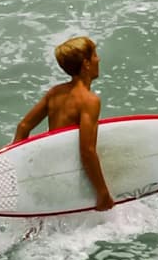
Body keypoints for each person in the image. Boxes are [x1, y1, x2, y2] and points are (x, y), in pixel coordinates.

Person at [13, 34, 115, 209]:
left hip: (48, 167)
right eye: (95, 55)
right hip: (68, 173)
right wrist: (102, 193)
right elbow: (87, 151)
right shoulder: (89, 101)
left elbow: (24, 126)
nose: (99, 59)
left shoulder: (55, 93)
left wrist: (15, 163)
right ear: (86, 63)